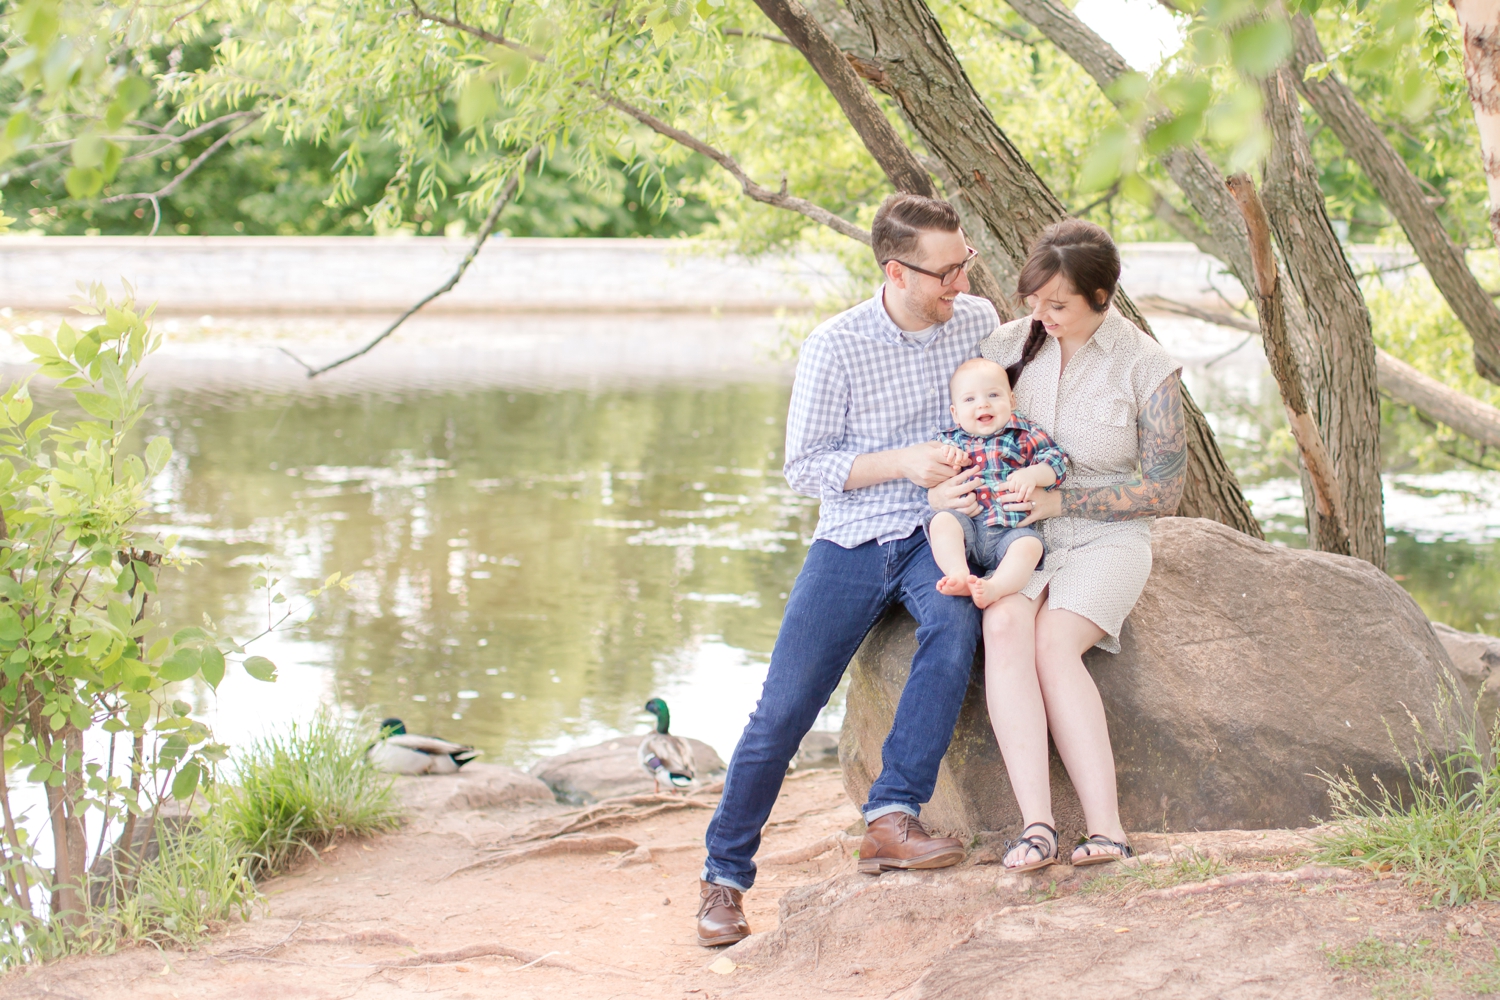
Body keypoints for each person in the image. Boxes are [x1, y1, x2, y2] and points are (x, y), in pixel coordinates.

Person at [696, 193, 995, 947]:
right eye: (946, 271)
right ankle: (724, 878)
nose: (959, 282)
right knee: (783, 709)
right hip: (855, 537)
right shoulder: (836, 345)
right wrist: (903, 462)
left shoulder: (979, 323)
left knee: (955, 622)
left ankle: (890, 818)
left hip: (941, 529)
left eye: (965, 265)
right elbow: (804, 466)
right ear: (897, 272)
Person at [927, 218, 1187, 873]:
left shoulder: (1146, 366)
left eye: (1058, 305)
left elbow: (1164, 489)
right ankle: (1036, 827)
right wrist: (948, 492)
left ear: (1103, 296)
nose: (1040, 316)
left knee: (1052, 642)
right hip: (1021, 539)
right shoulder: (1007, 345)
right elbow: (968, 435)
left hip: (1106, 538)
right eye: (1034, 300)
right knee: (1005, 626)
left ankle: (1107, 829)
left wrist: (1063, 499)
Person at [928, 357, 1068, 609]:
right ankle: (958, 572)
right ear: (955, 413)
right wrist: (947, 459)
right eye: (969, 399)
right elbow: (930, 475)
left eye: (993, 394)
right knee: (942, 522)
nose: (983, 404)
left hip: (1010, 531)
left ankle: (996, 587)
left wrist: (1033, 474)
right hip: (967, 525)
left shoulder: (1023, 433)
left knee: (1030, 546)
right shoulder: (949, 440)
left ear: (1011, 401)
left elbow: (1057, 461)